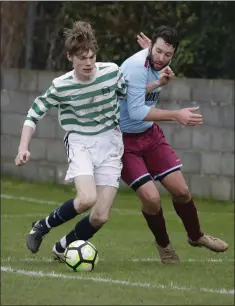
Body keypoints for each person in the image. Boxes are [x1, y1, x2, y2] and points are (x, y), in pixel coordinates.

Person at [15, 21, 126, 260]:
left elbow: (131, 98)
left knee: (100, 216)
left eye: (92, 57)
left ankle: (62, 246)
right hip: (80, 140)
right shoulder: (61, 86)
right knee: (86, 198)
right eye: (82, 58)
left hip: (111, 141)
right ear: (70, 57)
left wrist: (157, 83)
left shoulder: (112, 72)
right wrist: (23, 147)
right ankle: (42, 226)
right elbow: (33, 114)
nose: (88, 63)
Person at [119, 26, 228, 264]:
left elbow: (137, 92)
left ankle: (196, 236)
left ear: (173, 53)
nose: (161, 58)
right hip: (123, 139)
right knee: (151, 198)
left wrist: (159, 82)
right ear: (150, 46)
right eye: (157, 51)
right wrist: (177, 115)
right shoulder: (137, 66)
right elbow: (136, 111)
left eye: (167, 54)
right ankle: (165, 247)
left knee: (182, 191)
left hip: (150, 135)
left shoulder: (155, 65)